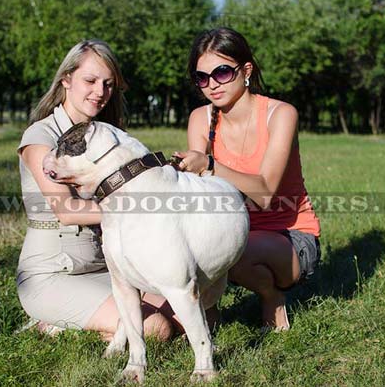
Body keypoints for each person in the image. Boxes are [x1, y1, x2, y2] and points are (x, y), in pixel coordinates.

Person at [16, 39, 175, 340]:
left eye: (108, 84)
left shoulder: (106, 138)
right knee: (156, 328)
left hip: (105, 265)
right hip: (53, 273)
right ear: (66, 79)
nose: (100, 92)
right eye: (90, 80)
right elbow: (65, 210)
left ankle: (96, 321)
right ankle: (58, 323)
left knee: (199, 309)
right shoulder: (40, 136)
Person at [174, 27, 321, 331]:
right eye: (202, 78)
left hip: (290, 237)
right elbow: (200, 195)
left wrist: (210, 165)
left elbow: (265, 192)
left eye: (222, 72)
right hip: (234, 229)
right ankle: (209, 310)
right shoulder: (200, 119)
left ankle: (272, 295)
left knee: (229, 250)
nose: (212, 84)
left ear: (246, 71)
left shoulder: (281, 114)